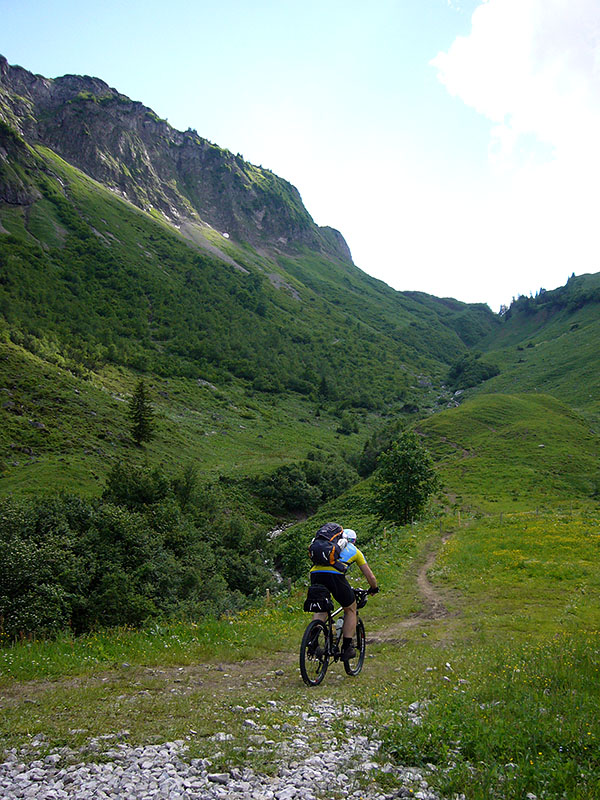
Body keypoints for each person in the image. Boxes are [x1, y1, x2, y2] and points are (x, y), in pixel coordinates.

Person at [310, 527, 378, 660]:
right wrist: (374, 588)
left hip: (315, 574)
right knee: (351, 609)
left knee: (322, 608)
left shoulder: (330, 548)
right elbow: (370, 576)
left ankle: (312, 641)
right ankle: (347, 647)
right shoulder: (355, 551)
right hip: (335, 576)